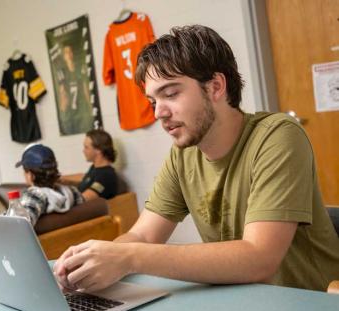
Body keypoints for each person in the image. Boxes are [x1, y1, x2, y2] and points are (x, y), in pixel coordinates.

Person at [53, 25, 339, 292]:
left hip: (310, 303)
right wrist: (97, 259)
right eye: (153, 101)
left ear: (215, 87)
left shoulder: (277, 135)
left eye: (170, 94)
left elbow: (259, 257)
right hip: (243, 304)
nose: (158, 113)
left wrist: (130, 257)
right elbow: (142, 237)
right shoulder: (182, 156)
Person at [15, 144, 84, 225]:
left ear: (31, 176)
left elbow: (19, 225)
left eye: (24, 171)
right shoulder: (73, 192)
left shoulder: (35, 195)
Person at [57, 44, 93, 134]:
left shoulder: (80, 68)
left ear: (72, 54)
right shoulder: (62, 72)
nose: (68, 54)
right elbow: (62, 93)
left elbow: (85, 89)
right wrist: (63, 111)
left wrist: (90, 106)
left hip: (82, 108)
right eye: (66, 52)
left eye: (70, 51)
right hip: (70, 110)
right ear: (64, 56)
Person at [77, 129, 118, 200]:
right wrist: (62, 180)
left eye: (86, 147)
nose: (83, 151)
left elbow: (83, 199)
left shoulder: (106, 175)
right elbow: (85, 178)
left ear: (99, 150)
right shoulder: (95, 168)